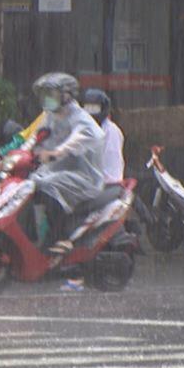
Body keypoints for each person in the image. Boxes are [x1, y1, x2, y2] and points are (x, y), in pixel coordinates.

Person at [27, 72, 106, 257]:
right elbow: (36, 137)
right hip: (58, 171)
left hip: (84, 178)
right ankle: (36, 236)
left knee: (47, 185)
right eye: (44, 94)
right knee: (28, 184)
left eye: (51, 94)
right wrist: (18, 152)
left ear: (66, 95)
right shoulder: (50, 116)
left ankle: (60, 238)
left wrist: (56, 153)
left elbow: (78, 140)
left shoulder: (80, 119)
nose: (46, 99)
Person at [61, 88, 125, 292]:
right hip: (88, 184)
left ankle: (77, 270)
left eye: (94, 108)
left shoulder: (111, 132)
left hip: (107, 186)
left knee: (72, 217)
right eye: (87, 108)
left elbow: (109, 169)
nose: (91, 112)